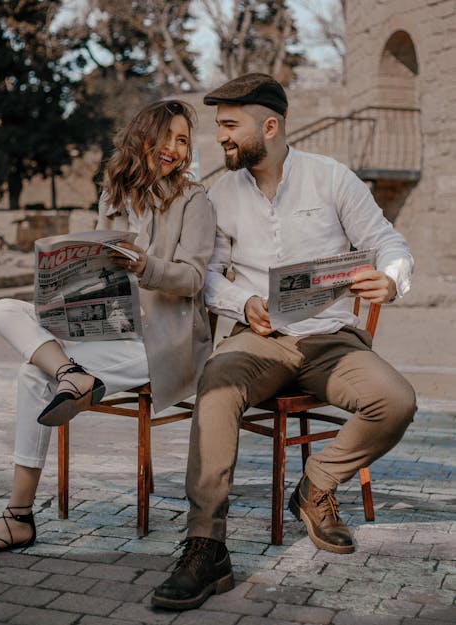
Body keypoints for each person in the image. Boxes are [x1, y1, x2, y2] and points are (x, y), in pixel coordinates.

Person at [152, 73, 417, 610]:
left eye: (231, 126)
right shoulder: (217, 194)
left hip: (331, 340)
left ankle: (316, 484)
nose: (221, 137)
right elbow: (207, 275)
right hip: (259, 341)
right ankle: (206, 546)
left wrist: (389, 277)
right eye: (220, 126)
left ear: (269, 126)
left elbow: (387, 240)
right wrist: (241, 304)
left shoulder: (333, 179)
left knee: (397, 401)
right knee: (217, 384)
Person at [0, 99, 215, 557]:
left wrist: (146, 266)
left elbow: (194, 278)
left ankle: (18, 516)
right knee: (3, 309)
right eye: (167, 137)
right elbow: (97, 270)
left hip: (160, 343)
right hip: (106, 329)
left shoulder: (195, 201)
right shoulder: (114, 194)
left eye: (183, 141)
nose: (175, 148)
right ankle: (71, 374)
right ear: (143, 138)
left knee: (31, 375)